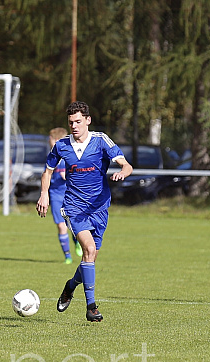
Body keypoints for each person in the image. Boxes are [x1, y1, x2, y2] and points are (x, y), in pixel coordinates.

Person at [36, 101, 133, 322]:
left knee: (91, 257)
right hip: (74, 207)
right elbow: (47, 171)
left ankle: (70, 286)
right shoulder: (61, 145)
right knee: (88, 249)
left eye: (78, 121)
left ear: (88, 120)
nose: (74, 126)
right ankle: (91, 307)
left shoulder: (101, 141)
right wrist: (44, 194)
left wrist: (123, 172)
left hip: (99, 208)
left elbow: (126, 164)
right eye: (71, 122)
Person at [48, 127, 81, 264]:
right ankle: (67, 256)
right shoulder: (52, 155)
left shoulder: (64, 157)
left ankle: (77, 242)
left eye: (49, 139)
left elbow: (64, 175)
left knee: (71, 224)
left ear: (55, 140)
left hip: (68, 194)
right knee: (61, 226)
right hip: (55, 195)